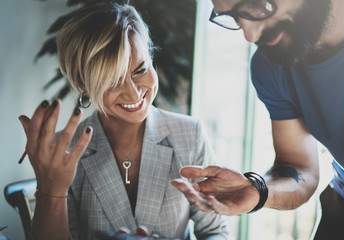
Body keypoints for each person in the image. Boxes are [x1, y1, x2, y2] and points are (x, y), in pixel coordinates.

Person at [18, 2, 228, 240]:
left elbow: (214, 231)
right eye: (113, 80)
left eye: (140, 70)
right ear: (82, 85)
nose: (133, 93)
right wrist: (50, 192)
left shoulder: (191, 135)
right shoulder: (64, 154)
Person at [171, 0, 344, 239]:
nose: (250, 35)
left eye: (256, 5)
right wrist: (258, 189)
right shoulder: (271, 65)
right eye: (235, 17)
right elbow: (299, 168)